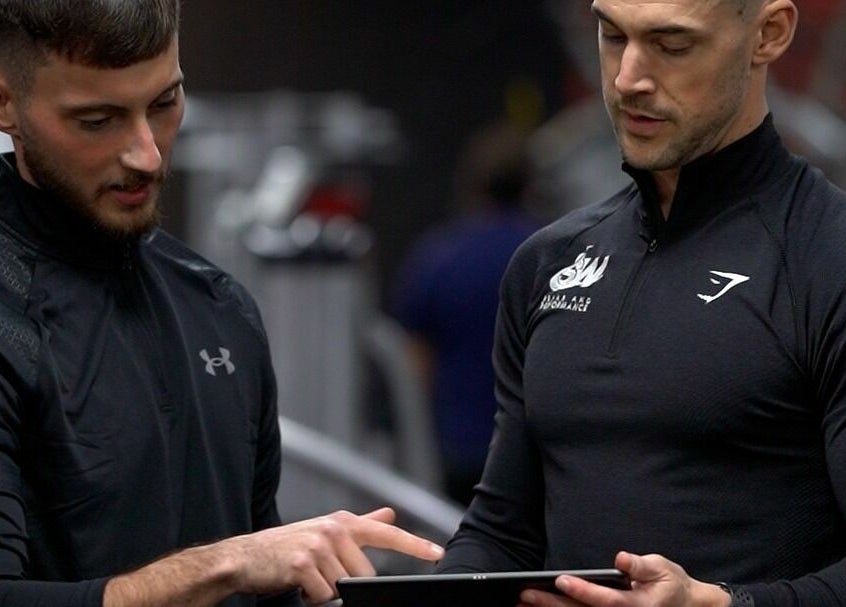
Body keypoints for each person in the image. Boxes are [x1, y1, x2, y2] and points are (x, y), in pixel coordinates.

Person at [0, 1, 443, 606]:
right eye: (98, 120)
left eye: (164, 104)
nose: (147, 155)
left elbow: (265, 584)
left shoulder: (218, 307)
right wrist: (226, 564)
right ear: (7, 105)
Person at [437, 1, 846, 606]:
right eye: (612, 36)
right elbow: (501, 535)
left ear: (769, 34)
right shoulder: (548, 261)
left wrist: (722, 604)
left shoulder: (826, 256)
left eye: (671, 45)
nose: (628, 77)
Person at [390, 120, 543, 506]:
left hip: (459, 449)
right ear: (530, 185)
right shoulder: (554, 257)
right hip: (535, 450)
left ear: (472, 185)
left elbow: (416, 362)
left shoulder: (438, 257)